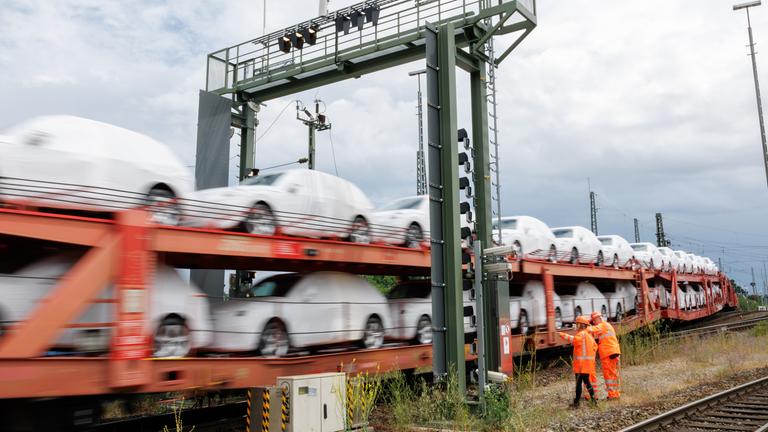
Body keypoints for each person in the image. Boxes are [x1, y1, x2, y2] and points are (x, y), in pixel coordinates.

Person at [558, 315, 598, 407]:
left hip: (581, 365)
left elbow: (574, 340)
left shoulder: (581, 334)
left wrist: (562, 334)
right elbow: (595, 347)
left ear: (582, 325)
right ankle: (593, 401)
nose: (576, 326)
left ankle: (578, 403)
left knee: (580, 383)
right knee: (586, 382)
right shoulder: (589, 336)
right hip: (586, 364)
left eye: (577, 324)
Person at [588, 311, 621, 399]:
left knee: (608, 375)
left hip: (608, 353)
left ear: (598, 319)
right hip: (613, 351)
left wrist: (584, 326)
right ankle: (615, 394)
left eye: (593, 321)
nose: (593, 323)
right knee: (613, 374)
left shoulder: (602, 325)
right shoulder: (607, 325)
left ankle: (612, 395)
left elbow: (591, 329)